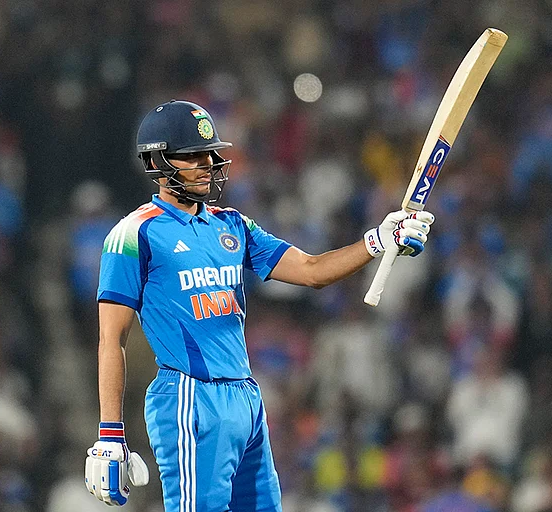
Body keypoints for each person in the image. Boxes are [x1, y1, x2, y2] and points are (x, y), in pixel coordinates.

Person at [84, 100, 435, 511]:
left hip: (246, 397)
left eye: (209, 152)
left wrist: (377, 240)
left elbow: (311, 269)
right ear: (158, 160)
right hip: (190, 396)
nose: (208, 162)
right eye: (192, 155)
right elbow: (111, 339)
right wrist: (111, 433)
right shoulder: (133, 233)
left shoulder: (232, 224)